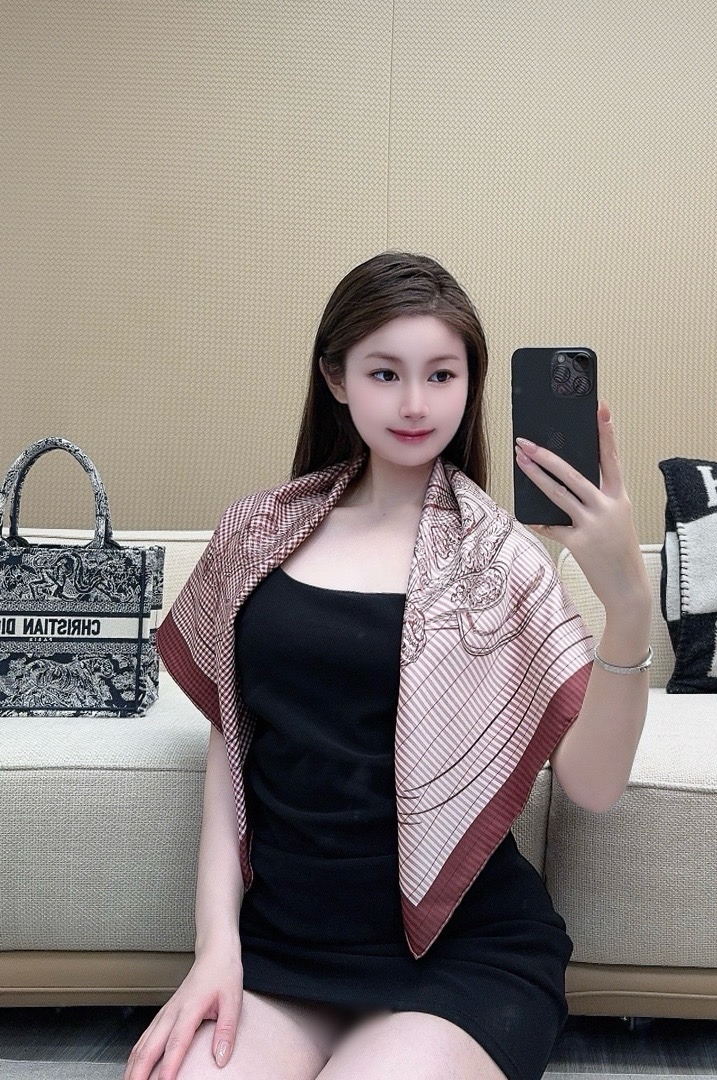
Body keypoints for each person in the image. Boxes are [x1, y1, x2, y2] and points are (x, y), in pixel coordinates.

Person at [124, 251, 651, 1080]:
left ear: (471, 386)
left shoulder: (501, 561)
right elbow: (232, 747)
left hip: (459, 961)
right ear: (336, 378)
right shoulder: (254, 534)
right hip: (278, 952)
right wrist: (215, 948)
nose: (415, 404)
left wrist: (627, 607)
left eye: (442, 375)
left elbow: (592, 785)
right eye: (385, 373)